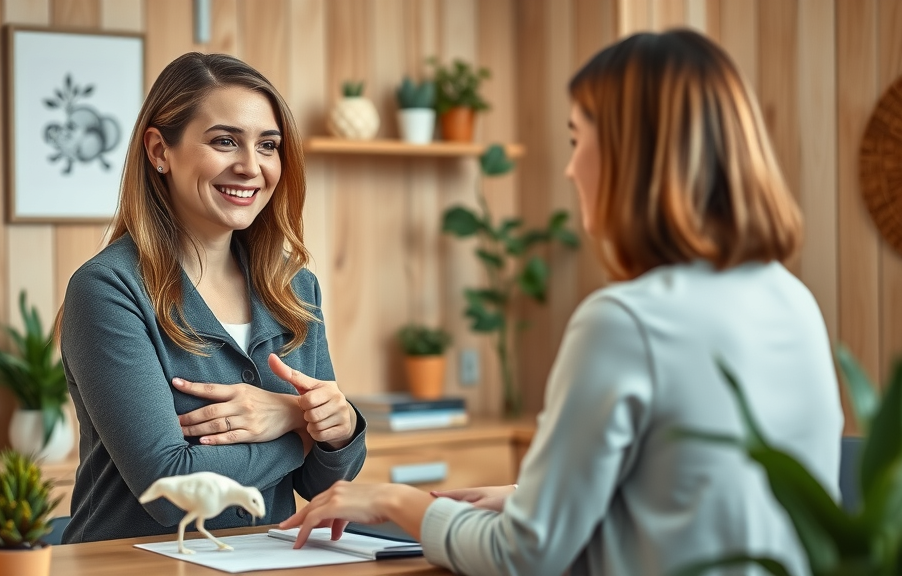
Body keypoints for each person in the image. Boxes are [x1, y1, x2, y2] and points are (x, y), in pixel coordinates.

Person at [280, 29, 843, 576]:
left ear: (632, 153)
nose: (571, 169)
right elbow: (707, 491)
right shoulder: (791, 300)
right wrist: (531, 496)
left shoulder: (625, 321)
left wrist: (398, 502)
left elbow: (523, 556)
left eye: (577, 140)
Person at [58, 53, 366, 544]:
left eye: (268, 145)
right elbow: (170, 486)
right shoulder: (108, 290)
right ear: (160, 150)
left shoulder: (295, 289)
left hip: (265, 560)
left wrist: (339, 426)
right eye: (225, 141)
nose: (250, 167)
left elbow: (324, 486)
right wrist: (300, 427)